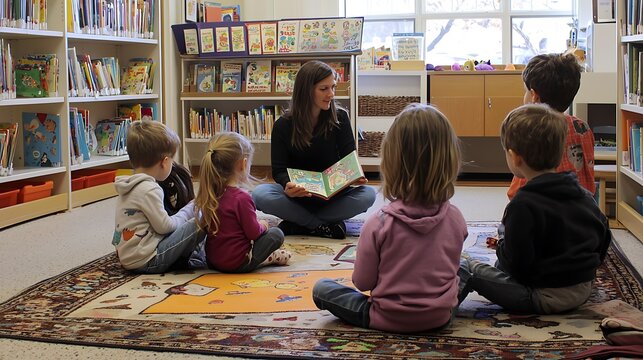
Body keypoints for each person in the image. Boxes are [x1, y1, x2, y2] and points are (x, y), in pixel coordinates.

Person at [312, 103, 468, 333]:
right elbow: (451, 268)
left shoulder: (379, 223)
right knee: (466, 269)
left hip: (385, 317)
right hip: (440, 316)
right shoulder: (456, 217)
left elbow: (363, 283)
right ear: (450, 159)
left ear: (392, 160)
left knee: (322, 289)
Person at [458, 104, 612, 314]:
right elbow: (603, 235)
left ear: (515, 157)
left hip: (540, 296)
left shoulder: (522, 204)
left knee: (466, 267)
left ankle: (443, 309)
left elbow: (516, 267)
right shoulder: (585, 195)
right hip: (582, 290)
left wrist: (503, 247)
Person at [252, 60, 376, 239]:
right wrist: (288, 185)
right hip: (298, 198)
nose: (331, 94)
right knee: (260, 194)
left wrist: (353, 175)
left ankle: (300, 224)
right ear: (306, 90)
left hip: (333, 197)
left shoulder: (340, 117)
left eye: (333, 87)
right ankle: (320, 225)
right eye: (324, 89)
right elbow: (279, 170)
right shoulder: (283, 125)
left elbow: (349, 157)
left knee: (368, 194)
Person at [112, 120, 205, 273]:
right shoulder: (150, 189)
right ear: (165, 162)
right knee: (200, 221)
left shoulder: (129, 184)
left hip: (130, 257)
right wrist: (189, 210)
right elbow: (165, 227)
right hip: (148, 259)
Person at [195, 132, 291, 273]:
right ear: (244, 163)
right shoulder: (242, 198)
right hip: (237, 263)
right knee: (276, 234)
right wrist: (263, 226)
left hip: (213, 261)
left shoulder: (211, 192)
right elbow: (253, 233)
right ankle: (268, 258)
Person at [507, 51, 595, 200]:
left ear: (534, 96)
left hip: (540, 211)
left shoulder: (532, 130)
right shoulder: (582, 127)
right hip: (581, 207)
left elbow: (518, 190)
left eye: (526, 91)